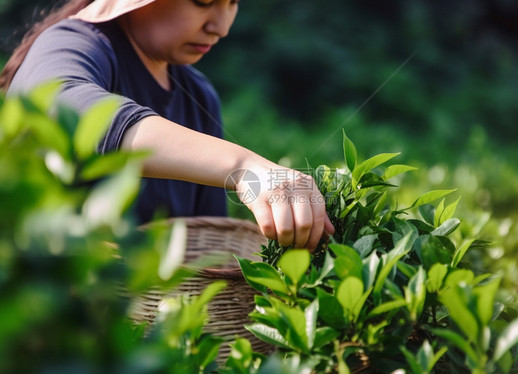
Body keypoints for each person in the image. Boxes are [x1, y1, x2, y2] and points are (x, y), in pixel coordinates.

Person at [0, 0, 335, 250]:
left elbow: (205, 248)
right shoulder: (77, 42)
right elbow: (59, 105)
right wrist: (245, 167)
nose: (220, 26)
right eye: (203, 2)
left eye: (232, 2)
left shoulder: (199, 95)